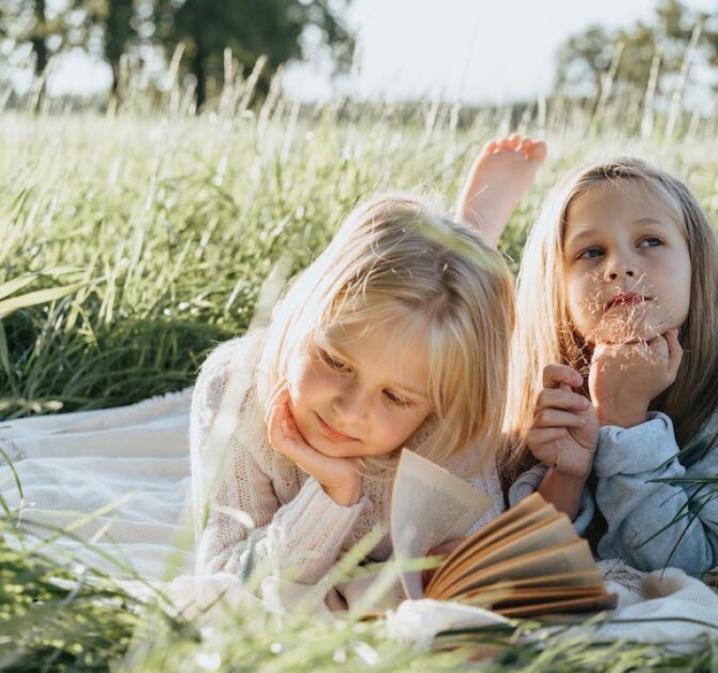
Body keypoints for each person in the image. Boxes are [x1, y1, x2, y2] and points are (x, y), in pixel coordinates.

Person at [190, 134, 546, 584]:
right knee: (429, 316)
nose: (351, 411)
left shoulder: (450, 418)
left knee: (461, 330)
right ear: (304, 314)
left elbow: (473, 565)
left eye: (395, 397)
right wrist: (334, 495)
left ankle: (472, 241)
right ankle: (468, 239)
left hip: (450, 360)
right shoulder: (234, 389)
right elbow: (226, 579)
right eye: (337, 362)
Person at [499, 154, 718, 575]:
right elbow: (526, 559)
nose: (620, 267)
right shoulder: (547, 381)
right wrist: (565, 475)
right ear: (556, 286)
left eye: (650, 241)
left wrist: (625, 424)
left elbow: (695, 562)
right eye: (591, 252)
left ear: (696, 262)